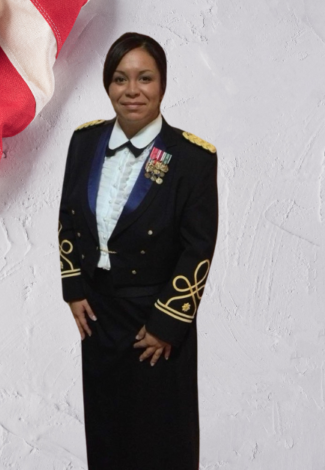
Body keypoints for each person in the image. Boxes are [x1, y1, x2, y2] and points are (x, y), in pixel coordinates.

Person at [57, 32, 218, 470]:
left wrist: (168, 323)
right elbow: (69, 216)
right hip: (99, 317)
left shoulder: (192, 158)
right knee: (107, 436)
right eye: (120, 79)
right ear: (107, 85)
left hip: (156, 320)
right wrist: (74, 287)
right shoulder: (84, 142)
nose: (132, 90)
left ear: (162, 84)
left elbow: (198, 248)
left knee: (163, 440)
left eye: (145, 78)